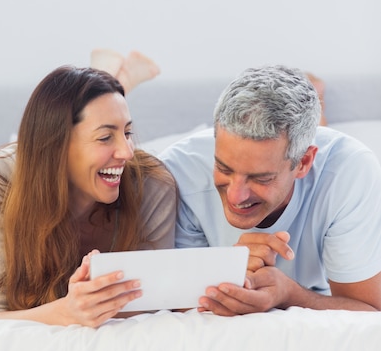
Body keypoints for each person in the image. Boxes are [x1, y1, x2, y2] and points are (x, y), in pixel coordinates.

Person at [159, 64, 381, 314]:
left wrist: (288, 294)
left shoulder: (350, 173)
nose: (236, 195)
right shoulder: (176, 172)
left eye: (261, 178)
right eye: (224, 168)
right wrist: (226, 269)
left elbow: (368, 311)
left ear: (303, 162)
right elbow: (171, 301)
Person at [0, 64, 176, 327]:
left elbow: (157, 300)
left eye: (127, 133)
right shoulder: (2, 177)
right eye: (105, 137)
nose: (127, 152)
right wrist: (67, 312)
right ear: (57, 145)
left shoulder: (152, 186)